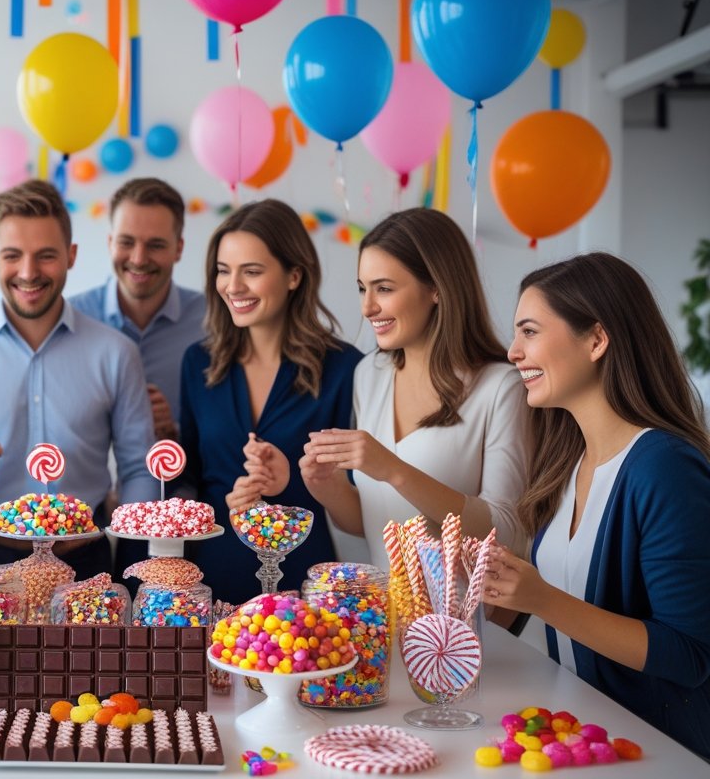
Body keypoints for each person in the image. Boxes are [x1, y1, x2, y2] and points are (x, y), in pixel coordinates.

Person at [483, 252, 710, 760]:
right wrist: (502, 586)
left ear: (597, 340)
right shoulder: (569, 460)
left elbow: (690, 654)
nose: (513, 350)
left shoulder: (664, 466)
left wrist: (541, 599)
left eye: (529, 331)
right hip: (588, 744)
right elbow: (569, 607)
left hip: (658, 759)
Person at [0, 179, 159, 576]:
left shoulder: (115, 352)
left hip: (86, 561)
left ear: (71, 256)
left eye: (46, 256)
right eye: (13, 255)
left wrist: (137, 551)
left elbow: (138, 468)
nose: (28, 273)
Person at [296, 208, 529, 574]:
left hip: (461, 625)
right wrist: (327, 487)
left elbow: (507, 532)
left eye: (384, 289)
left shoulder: (501, 387)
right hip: (381, 619)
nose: (368, 307)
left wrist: (393, 470)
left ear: (436, 287)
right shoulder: (368, 373)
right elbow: (372, 523)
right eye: (362, 288)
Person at [178, 199, 362, 604]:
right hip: (212, 578)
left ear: (294, 275)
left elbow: (356, 506)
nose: (233, 286)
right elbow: (187, 474)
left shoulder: (344, 368)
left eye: (252, 271)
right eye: (224, 271)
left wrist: (291, 481)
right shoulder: (198, 363)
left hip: (305, 580)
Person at [70, 178, 206, 441]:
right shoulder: (69, 319)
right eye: (126, 242)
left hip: (180, 481)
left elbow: (225, 433)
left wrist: (174, 431)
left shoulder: (213, 322)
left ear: (178, 249)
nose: (139, 259)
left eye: (155, 245)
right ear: (110, 243)